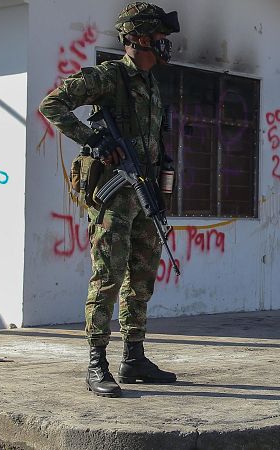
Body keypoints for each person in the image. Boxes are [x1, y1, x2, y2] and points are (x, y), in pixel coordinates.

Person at [39, 2, 180, 398]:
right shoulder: (109, 76)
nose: (165, 45)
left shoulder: (152, 83)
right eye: (160, 38)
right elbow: (52, 104)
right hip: (114, 197)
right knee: (108, 277)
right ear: (137, 38)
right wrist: (93, 139)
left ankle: (133, 357)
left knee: (141, 278)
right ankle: (96, 361)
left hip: (145, 194)